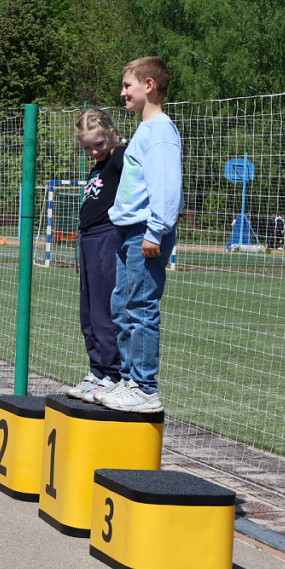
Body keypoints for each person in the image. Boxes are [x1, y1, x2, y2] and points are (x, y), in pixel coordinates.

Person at [95, 56, 182, 414]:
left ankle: (145, 387)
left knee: (141, 308)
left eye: (127, 85)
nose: (122, 92)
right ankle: (129, 379)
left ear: (148, 85)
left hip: (145, 232)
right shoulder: (145, 130)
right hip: (128, 231)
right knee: (123, 306)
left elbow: (166, 185)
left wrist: (156, 231)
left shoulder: (160, 130)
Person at [66, 109, 125, 404]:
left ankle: (113, 374)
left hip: (107, 237)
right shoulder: (97, 167)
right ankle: (96, 370)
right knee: (88, 313)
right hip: (88, 240)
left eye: (98, 144)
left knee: (104, 311)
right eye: (87, 147)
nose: (93, 151)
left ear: (112, 133)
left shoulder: (120, 156)